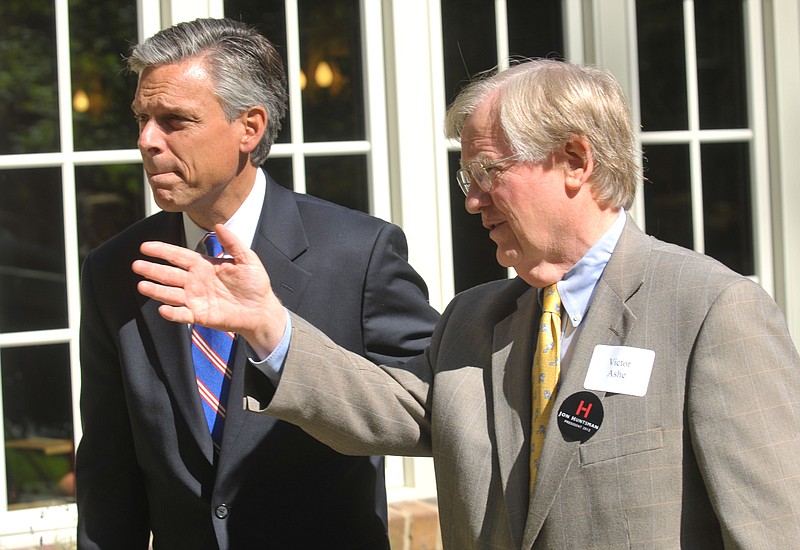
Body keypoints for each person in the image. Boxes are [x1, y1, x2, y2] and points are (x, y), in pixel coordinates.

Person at [132, 59, 800, 549]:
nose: (472, 200)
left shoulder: (712, 310)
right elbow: (389, 409)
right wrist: (267, 324)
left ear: (574, 160)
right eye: (466, 176)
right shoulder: (476, 320)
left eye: (488, 172)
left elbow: (771, 531)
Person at [75, 17, 440, 550]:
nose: (147, 141)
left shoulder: (358, 254)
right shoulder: (116, 269)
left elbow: (431, 408)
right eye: (142, 119)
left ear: (249, 127)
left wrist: (280, 341)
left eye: (174, 120)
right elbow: (109, 469)